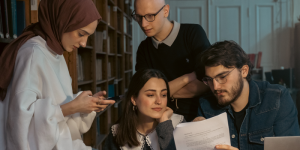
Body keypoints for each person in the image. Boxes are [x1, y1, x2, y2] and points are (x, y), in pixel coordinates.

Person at [0, 0, 115, 149]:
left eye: (88, 37)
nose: (84, 43)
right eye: (81, 34)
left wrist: (84, 104)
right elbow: (20, 124)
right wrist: (73, 107)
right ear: (63, 20)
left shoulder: (56, 53)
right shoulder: (33, 54)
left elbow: (53, 103)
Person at [194, 40, 300, 150]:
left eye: (222, 77)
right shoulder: (205, 105)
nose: (215, 87)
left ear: (244, 71)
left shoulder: (277, 98)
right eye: (210, 80)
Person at [133, 0, 211, 121]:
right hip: (162, 118)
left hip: (199, 116)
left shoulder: (193, 33)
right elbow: (144, 93)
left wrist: (161, 92)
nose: (143, 24)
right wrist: (187, 78)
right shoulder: (143, 49)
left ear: (165, 11)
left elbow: (207, 83)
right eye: (138, 17)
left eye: (150, 16)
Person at [103, 69, 184, 150]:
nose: (159, 101)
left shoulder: (179, 125)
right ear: (134, 99)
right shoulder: (117, 133)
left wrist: (164, 124)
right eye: (150, 95)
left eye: (163, 95)